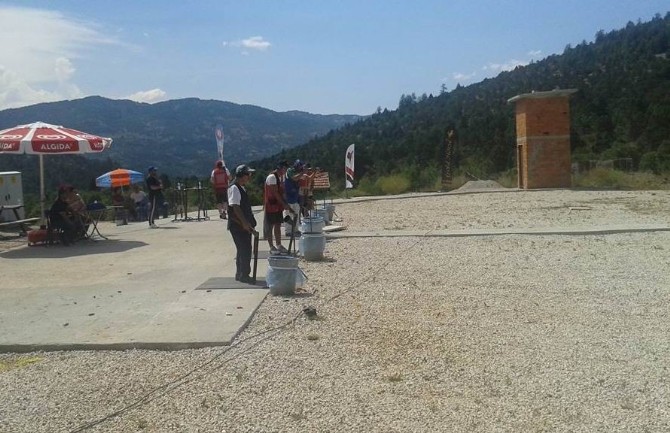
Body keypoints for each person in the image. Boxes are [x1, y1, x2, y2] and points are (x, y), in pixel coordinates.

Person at [227, 164, 258, 283]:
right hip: (238, 225)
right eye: (247, 174)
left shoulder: (240, 187)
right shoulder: (234, 188)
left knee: (242, 249)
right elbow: (235, 207)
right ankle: (244, 274)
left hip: (241, 225)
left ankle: (240, 273)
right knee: (245, 249)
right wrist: (244, 223)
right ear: (241, 175)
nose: (249, 176)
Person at [264, 161, 290, 254]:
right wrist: (284, 203)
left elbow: (282, 192)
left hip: (277, 206)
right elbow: (275, 193)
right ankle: (271, 246)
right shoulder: (272, 177)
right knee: (270, 226)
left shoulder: (280, 177)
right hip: (271, 205)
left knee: (278, 224)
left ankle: (279, 245)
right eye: (285, 168)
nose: (285, 171)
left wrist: (285, 202)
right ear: (280, 168)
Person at [284, 159, 306, 236]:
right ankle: (288, 231)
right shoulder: (290, 170)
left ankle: (295, 230)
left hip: (295, 197)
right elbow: (294, 178)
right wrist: (302, 173)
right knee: (289, 215)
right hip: (289, 197)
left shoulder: (298, 173)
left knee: (296, 214)